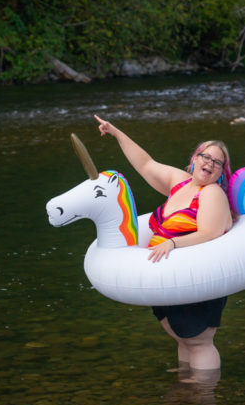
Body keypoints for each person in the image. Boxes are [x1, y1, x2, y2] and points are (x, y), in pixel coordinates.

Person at [95, 115, 235, 371]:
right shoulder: (180, 182)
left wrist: (172, 244)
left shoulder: (212, 193)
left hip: (195, 274)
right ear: (195, 158)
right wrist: (116, 133)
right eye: (206, 157)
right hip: (166, 274)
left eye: (217, 162)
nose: (210, 163)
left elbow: (209, 233)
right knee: (183, 338)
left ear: (220, 172)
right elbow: (145, 163)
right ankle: (186, 386)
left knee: (199, 341)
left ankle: (205, 400)